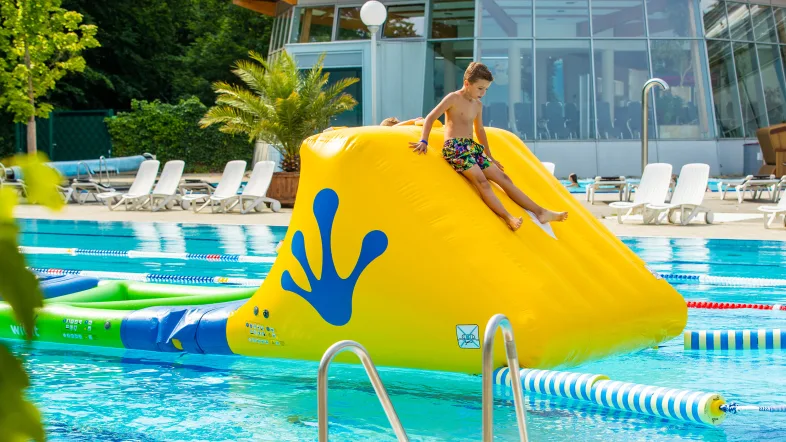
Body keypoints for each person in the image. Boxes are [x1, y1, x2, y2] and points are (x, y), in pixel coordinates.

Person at [409, 62, 568, 231]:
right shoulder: (453, 98)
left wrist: (489, 155)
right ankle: (508, 218)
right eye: (480, 88)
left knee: (503, 178)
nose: (483, 93)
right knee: (482, 182)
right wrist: (423, 140)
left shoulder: (477, 105)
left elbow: (479, 130)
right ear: (467, 83)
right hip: (455, 148)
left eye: (486, 89)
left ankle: (540, 211)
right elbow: (431, 117)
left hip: (472, 148)